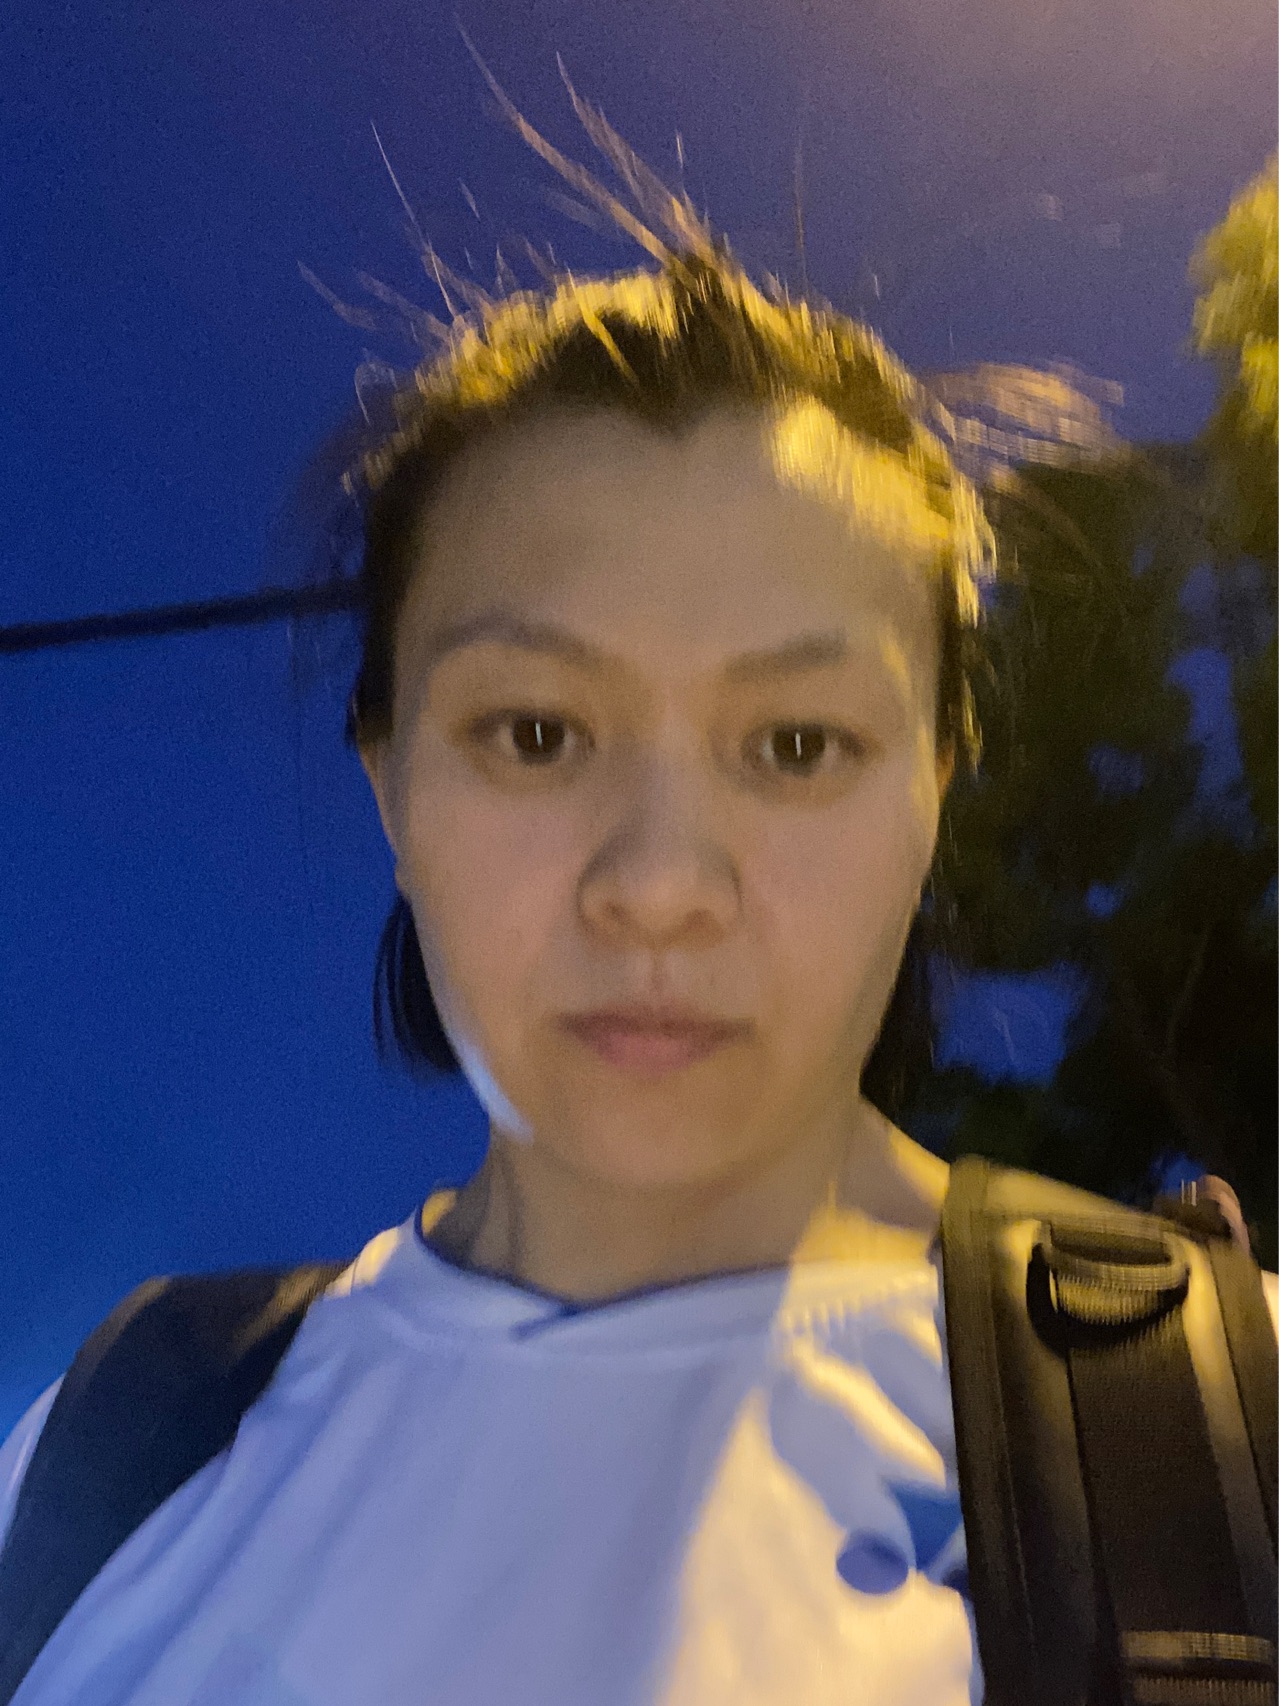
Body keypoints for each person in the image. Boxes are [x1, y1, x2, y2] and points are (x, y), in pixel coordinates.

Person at [0, 160, 1273, 1706]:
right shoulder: (104, 1455)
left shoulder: (1220, 1445)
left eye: (796, 744)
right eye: (536, 733)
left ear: (937, 786)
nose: (661, 882)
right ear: (390, 782)